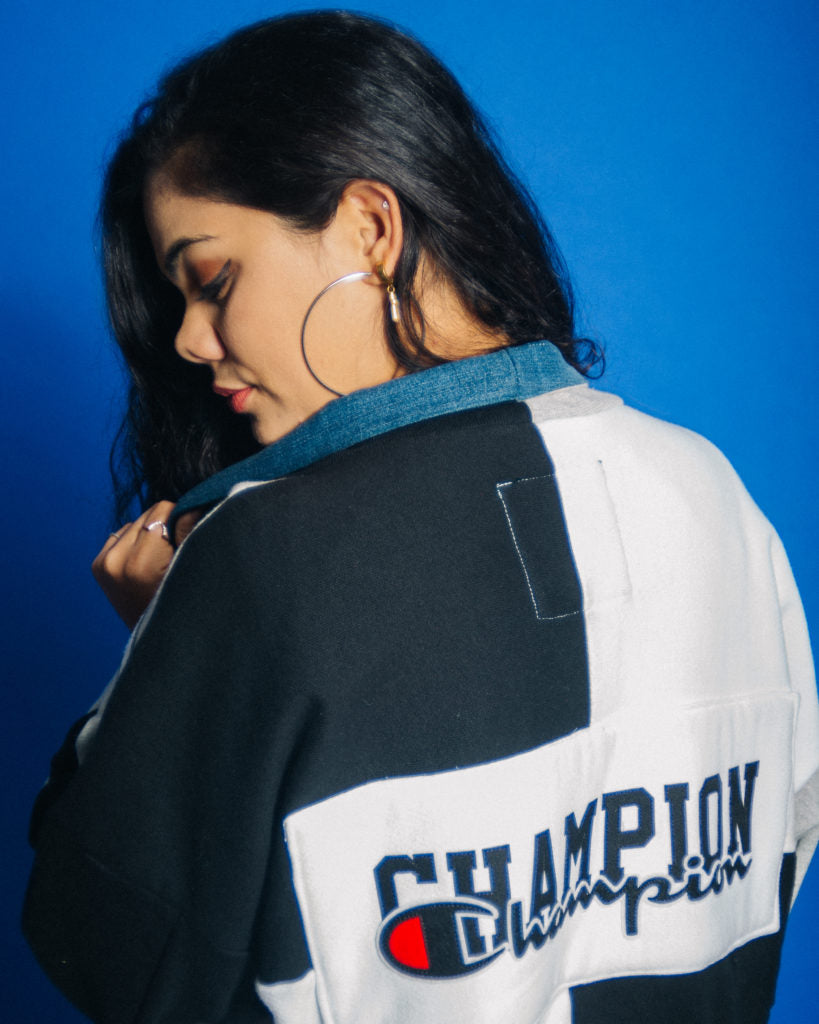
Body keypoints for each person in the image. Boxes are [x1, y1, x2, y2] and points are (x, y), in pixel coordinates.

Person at [22, 11, 819, 1024]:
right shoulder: (713, 493)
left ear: (370, 226)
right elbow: (776, 856)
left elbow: (114, 951)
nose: (187, 338)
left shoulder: (258, 560)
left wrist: (174, 652)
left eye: (212, 279)